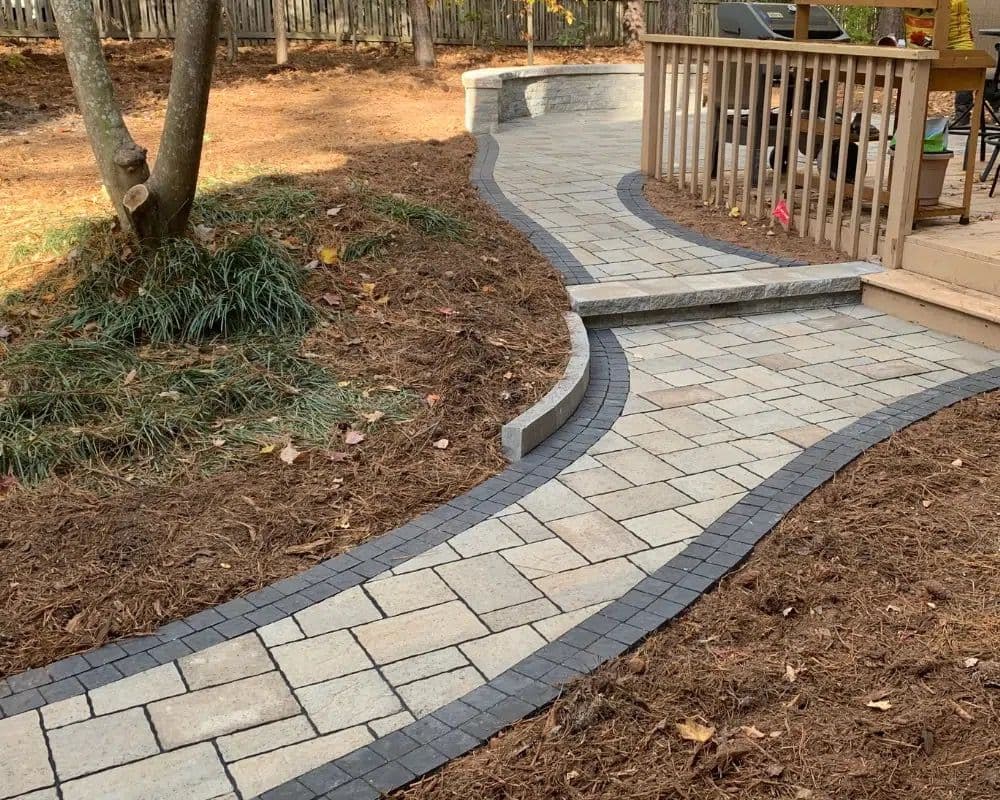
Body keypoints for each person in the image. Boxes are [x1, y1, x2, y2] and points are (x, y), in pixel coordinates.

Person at [904, 1, 977, 116]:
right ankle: (910, 115)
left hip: (957, 41)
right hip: (924, 43)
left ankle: (962, 115)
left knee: (966, 69)